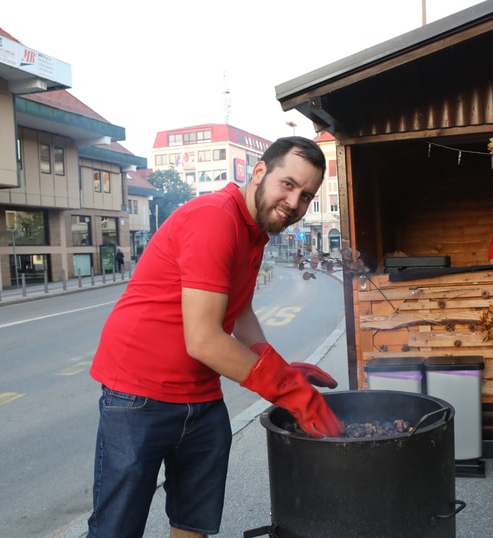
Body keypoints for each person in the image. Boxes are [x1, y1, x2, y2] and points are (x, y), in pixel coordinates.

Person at [87, 137, 344, 538]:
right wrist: (288, 390)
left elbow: (238, 308)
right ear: (259, 172)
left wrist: (273, 363)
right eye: (288, 185)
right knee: (116, 529)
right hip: (137, 395)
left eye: (307, 196)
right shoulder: (216, 219)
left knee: (194, 523)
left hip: (201, 397)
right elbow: (204, 340)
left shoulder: (255, 230)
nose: (295, 203)